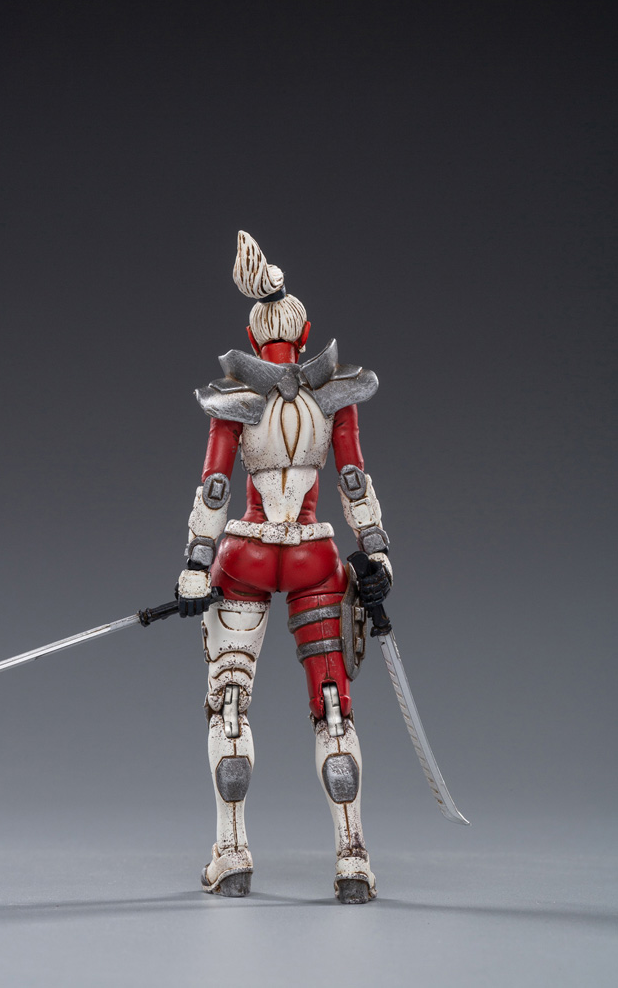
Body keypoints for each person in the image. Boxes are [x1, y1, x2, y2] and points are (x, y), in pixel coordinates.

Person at [176, 231, 392, 904]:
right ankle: (352, 858)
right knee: (332, 708)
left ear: (252, 332)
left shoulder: (237, 396)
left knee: (230, 703)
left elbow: (216, 486)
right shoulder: (332, 395)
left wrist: (196, 562)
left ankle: (233, 852)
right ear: (305, 334)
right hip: (311, 557)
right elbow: (353, 478)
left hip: (245, 556)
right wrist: (377, 551)